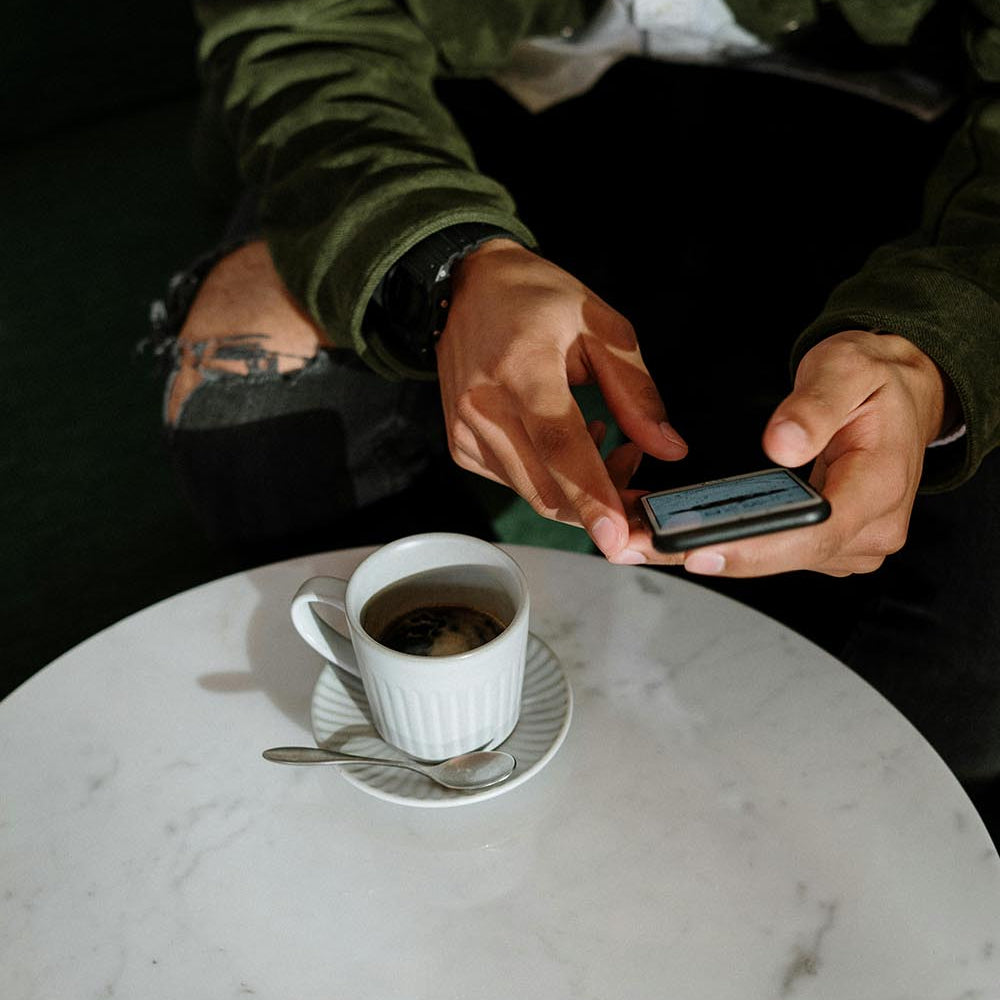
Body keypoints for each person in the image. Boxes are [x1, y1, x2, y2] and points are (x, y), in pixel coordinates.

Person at [151, 1, 999, 791]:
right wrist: (447, 261)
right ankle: (431, 746)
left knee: (947, 687)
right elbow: (300, 26)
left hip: (913, 152)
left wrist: (940, 352)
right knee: (249, 394)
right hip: (469, 102)